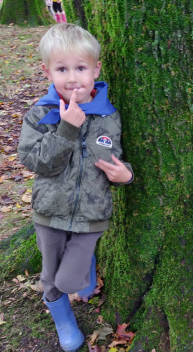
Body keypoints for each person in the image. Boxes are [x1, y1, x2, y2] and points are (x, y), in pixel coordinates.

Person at [18, 23, 134, 352]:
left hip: (92, 215)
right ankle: (63, 319)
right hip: (50, 213)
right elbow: (36, 162)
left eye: (81, 68)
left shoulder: (109, 115)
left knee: (69, 279)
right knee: (51, 278)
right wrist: (66, 129)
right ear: (47, 71)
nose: (72, 78)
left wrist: (125, 174)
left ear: (95, 69)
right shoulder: (41, 114)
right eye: (62, 69)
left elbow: (116, 157)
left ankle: (83, 269)